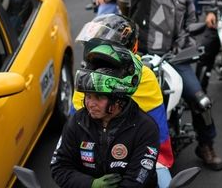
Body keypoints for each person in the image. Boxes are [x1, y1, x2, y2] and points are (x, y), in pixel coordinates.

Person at [126, 0, 222, 170]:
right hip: (140, 56)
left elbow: (190, 24)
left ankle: (206, 145)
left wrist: (186, 46)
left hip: (175, 58)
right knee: (123, 102)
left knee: (202, 102)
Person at [70, 15, 176, 187]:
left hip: (141, 153)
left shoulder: (144, 77)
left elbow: (158, 138)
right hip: (94, 157)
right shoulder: (86, 77)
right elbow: (74, 132)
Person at [50, 44, 160, 187]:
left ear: (119, 99)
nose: (90, 104)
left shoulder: (146, 129)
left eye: (99, 97)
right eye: (88, 96)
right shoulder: (77, 122)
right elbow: (59, 167)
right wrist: (90, 184)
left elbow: (137, 180)